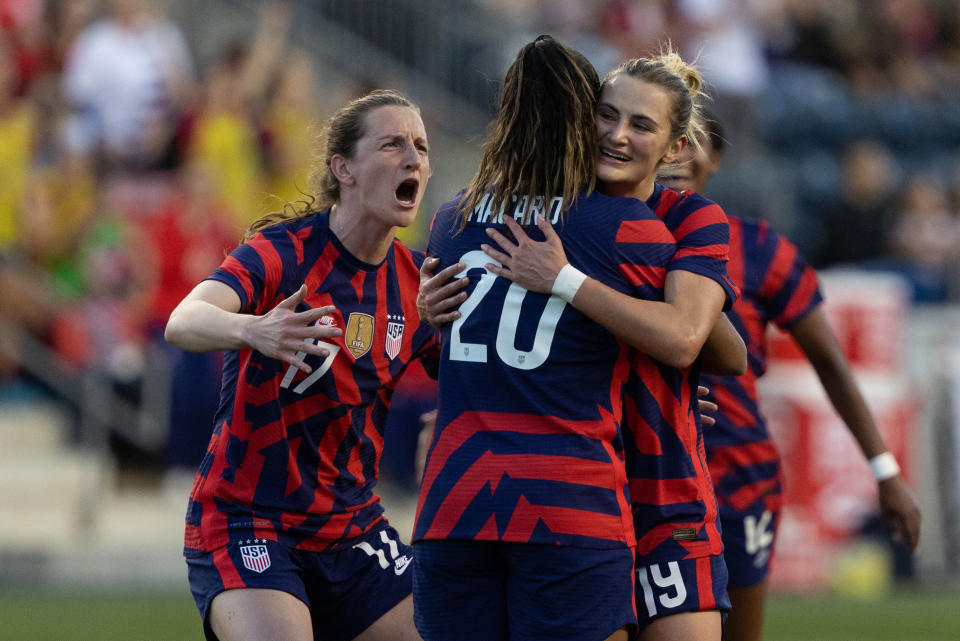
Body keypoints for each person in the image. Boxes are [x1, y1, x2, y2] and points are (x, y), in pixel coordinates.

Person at [419, 49, 744, 641]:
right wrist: (428, 314)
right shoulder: (611, 227)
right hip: (581, 495)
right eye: (606, 114)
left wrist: (570, 283)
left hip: (661, 489)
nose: (617, 135)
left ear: (676, 149)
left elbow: (707, 346)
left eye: (641, 124)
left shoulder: (686, 218)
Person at [164, 89, 437, 641]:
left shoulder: (419, 285)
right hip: (248, 520)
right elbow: (183, 320)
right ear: (345, 169)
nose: (413, 159)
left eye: (421, 147)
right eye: (391, 144)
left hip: (351, 526)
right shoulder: (281, 254)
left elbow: (477, 378)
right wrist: (252, 329)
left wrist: (454, 423)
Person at [657, 113, 922, 641]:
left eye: (695, 141)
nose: (679, 154)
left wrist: (884, 470)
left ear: (717, 158)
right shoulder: (605, 237)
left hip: (737, 478)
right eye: (668, 139)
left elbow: (830, 362)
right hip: (643, 474)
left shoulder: (755, 247)